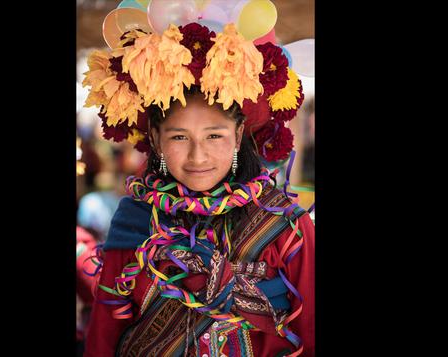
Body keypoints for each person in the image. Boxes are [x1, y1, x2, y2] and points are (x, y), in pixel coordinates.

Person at [82, 21, 314, 357]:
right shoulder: (135, 221)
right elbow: (105, 335)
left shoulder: (286, 227)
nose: (198, 156)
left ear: (237, 136)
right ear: (157, 142)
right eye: (179, 137)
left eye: (214, 136)